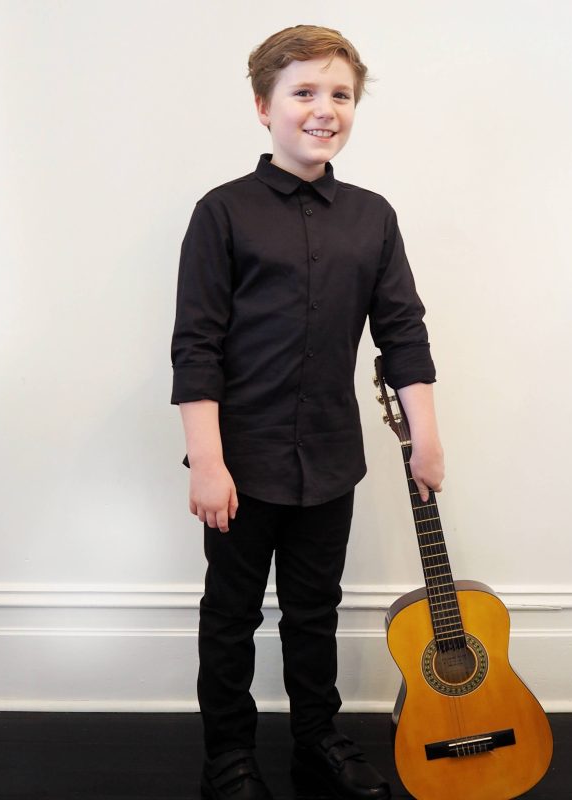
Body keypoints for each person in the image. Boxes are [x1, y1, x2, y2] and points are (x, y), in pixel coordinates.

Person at [170, 24, 444, 800]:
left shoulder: (372, 217)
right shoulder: (222, 213)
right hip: (241, 461)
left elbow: (403, 332)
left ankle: (318, 737)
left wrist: (425, 438)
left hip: (330, 458)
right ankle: (228, 754)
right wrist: (208, 461)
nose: (325, 109)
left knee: (314, 610)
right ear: (264, 106)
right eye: (304, 92)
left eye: (341, 95)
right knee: (231, 613)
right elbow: (196, 344)